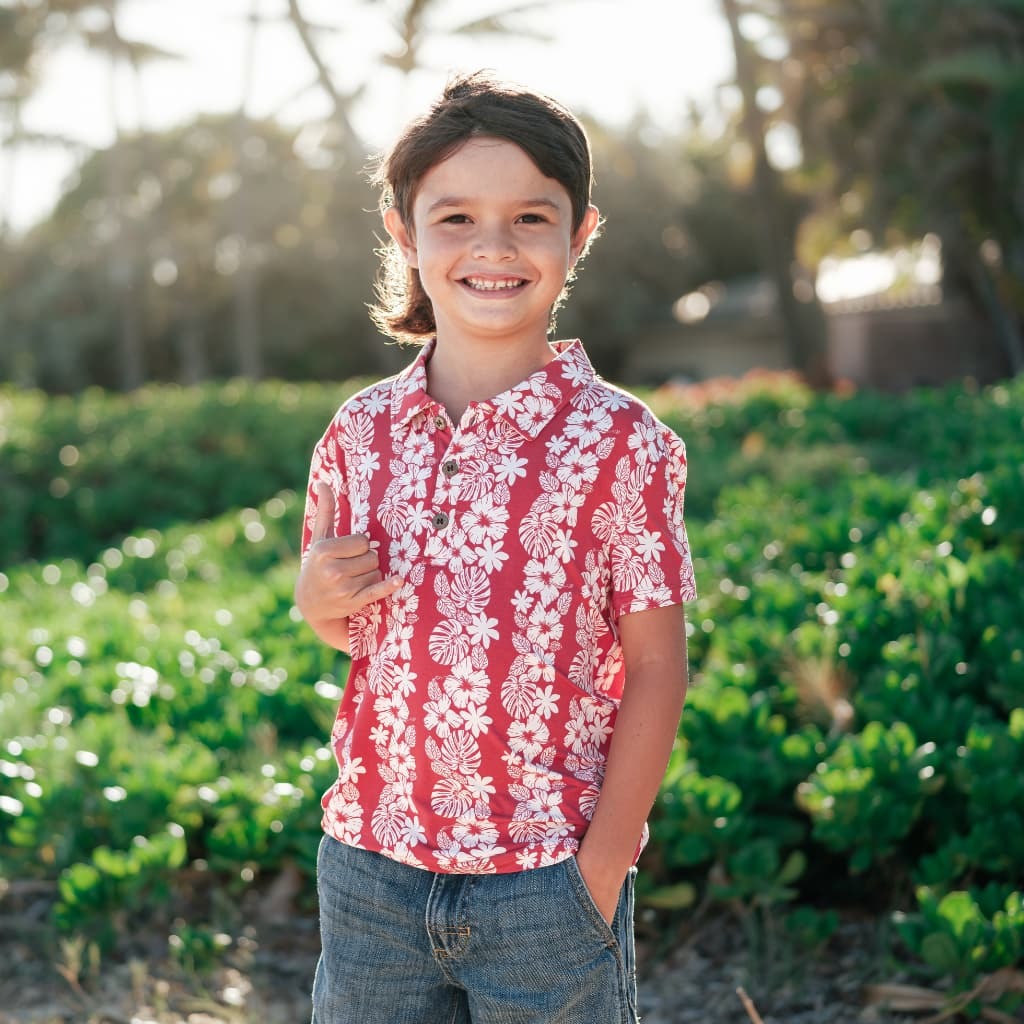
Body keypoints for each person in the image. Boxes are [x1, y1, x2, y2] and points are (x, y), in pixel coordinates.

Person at [294, 70, 697, 1024]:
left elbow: (656, 668)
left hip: (546, 881)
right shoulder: (360, 433)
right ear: (403, 232)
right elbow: (358, 637)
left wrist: (599, 869)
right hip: (370, 871)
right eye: (456, 218)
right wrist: (315, 605)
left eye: (529, 218)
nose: (493, 248)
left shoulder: (619, 441)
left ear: (578, 233)